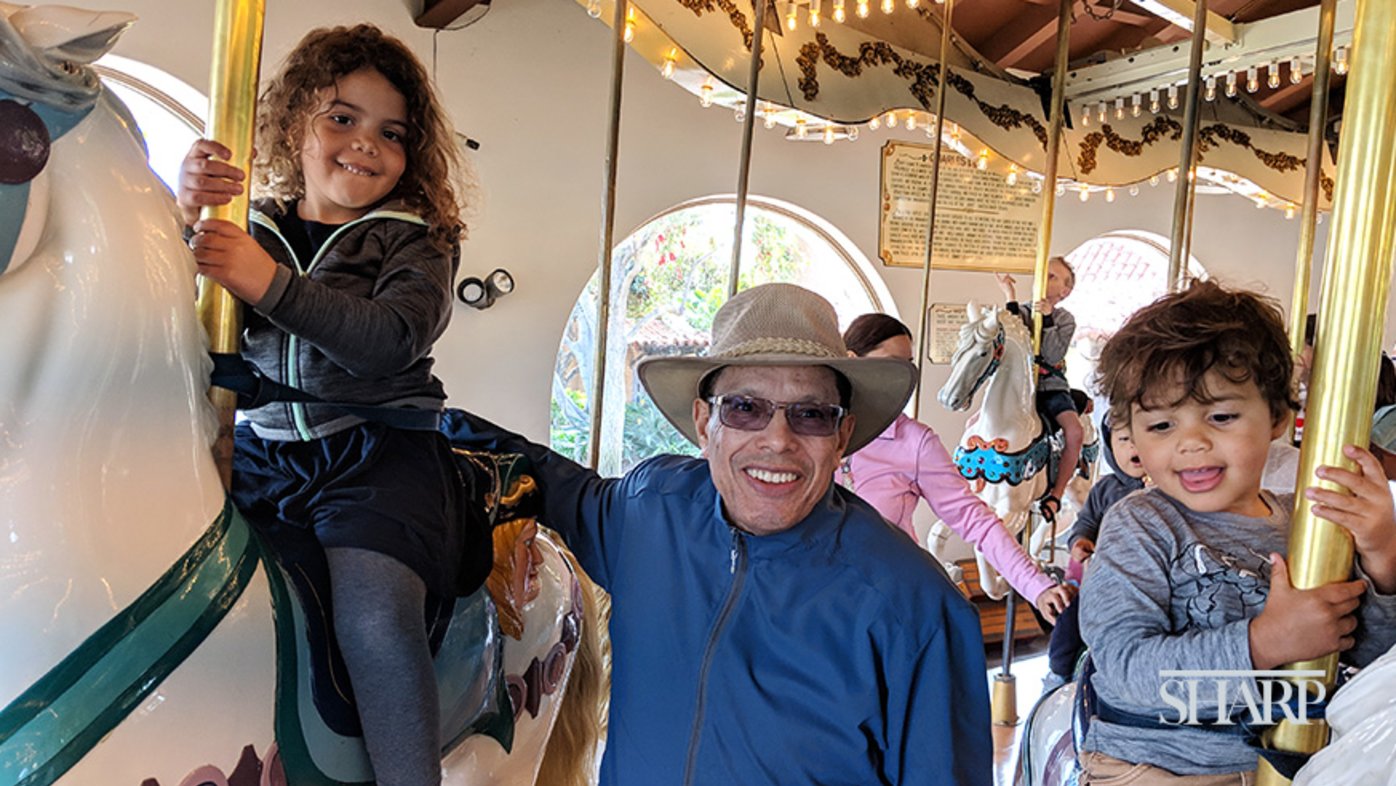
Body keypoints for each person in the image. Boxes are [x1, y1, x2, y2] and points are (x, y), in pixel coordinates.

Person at [448, 284, 992, 785]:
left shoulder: (914, 608)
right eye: (746, 408)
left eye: (810, 415)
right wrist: (407, 419)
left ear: (842, 435)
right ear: (706, 423)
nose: (778, 441)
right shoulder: (651, 511)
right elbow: (538, 472)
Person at [177, 25, 469, 786]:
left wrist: (268, 282)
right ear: (291, 124)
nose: (365, 143)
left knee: (373, 619)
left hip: (375, 455)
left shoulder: (419, 242)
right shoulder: (250, 226)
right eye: (341, 118)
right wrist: (186, 223)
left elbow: (387, 341)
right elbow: (181, 328)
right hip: (266, 454)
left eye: (391, 132)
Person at [1078, 281, 1396, 784]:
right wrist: (1262, 642)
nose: (1191, 442)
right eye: (1161, 426)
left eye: (1221, 416)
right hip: (1162, 769)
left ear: (1277, 417)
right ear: (1131, 436)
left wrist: (1381, 559)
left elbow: (1369, 663)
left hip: (1303, 761)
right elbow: (1125, 668)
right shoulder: (1141, 526)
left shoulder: (1311, 524)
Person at [840, 313, 1073, 622]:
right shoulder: (816, 430)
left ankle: (1058, 491)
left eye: (909, 365)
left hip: (889, 599)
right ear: (851, 361)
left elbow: (974, 518)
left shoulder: (913, 442)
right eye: (891, 363)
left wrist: (1035, 585)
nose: (904, 376)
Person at [1043, 417, 1146, 687]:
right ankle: (1058, 674)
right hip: (1104, 581)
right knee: (1070, 618)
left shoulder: (1170, 490)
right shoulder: (1106, 488)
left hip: (1148, 583)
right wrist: (1080, 541)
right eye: (1124, 440)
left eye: (1145, 436)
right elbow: (1086, 522)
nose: (1134, 446)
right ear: (1111, 446)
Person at [995, 257, 1084, 519]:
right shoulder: (1023, 311)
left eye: (1053, 277)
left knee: (1075, 432)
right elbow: (1012, 336)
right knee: (977, 424)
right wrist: (1009, 294)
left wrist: (1046, 320)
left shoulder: (1065, 319)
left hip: (1052, 388)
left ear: (1064, 292)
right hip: (1022, 388)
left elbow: (1052, 353)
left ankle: (1056, 494)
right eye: (1043, 274)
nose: (1045, 279)